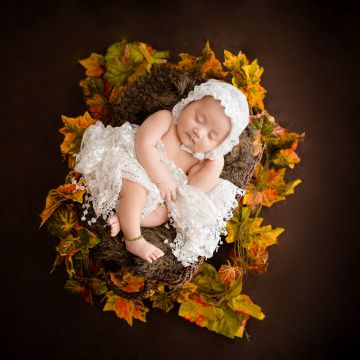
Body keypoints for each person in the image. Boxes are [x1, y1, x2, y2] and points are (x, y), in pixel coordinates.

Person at [74, 79, 249, 267]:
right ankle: (134, 239)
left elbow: (194, 191)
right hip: (132, 162)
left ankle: (126, 218)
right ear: (188, 104)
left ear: (219, 145)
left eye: (211, 136)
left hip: (156, 191)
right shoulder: (166, 120)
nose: (199, 131)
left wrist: (215, 162)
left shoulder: (201, 159)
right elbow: (143, 144)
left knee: (162, 214)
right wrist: (162, 178)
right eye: (198, 118)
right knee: (137, 191)